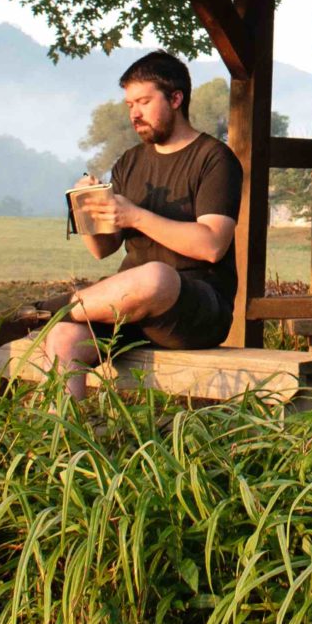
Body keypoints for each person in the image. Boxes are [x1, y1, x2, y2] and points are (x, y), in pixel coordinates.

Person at [47, 50, 241, 399]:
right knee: (65, 337)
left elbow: (212, 246)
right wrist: (86, 209)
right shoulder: (130, 162)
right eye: (129, 105)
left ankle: (39, 312)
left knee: (156, 276)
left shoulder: (214, 158)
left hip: (196, 309)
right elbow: (103, 250)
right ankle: (64, 443)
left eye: (144, 101)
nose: (134, 113)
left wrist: (135, 215)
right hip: (133, 309)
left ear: (176, 98)